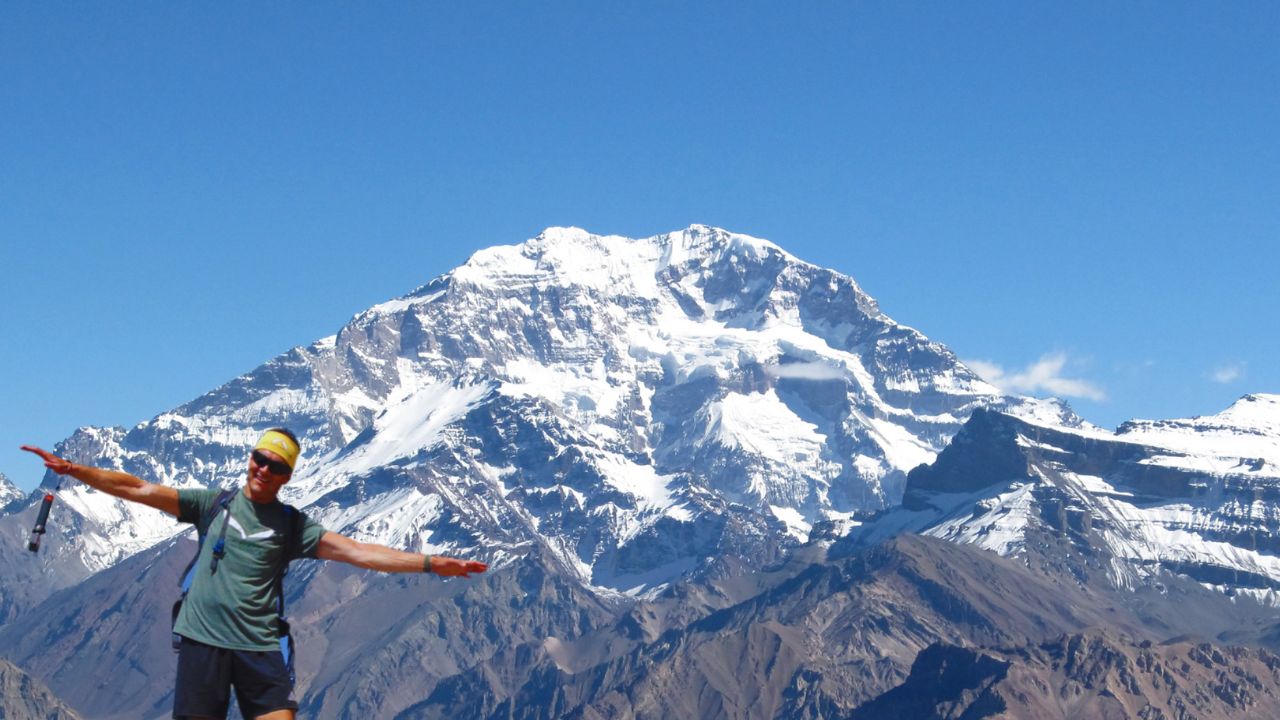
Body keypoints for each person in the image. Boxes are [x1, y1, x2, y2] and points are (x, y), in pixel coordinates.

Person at [21, 428, 487, 720]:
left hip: (259, 648)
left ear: (287, 476)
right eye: (259, 458)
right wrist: (76, 470)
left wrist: (431, 564)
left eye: (276, 465)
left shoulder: (292, 526)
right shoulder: (212, 504)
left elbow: (359, 554)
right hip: (203, 642)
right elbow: (140, 489)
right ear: (250, 458)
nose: (263, 468)